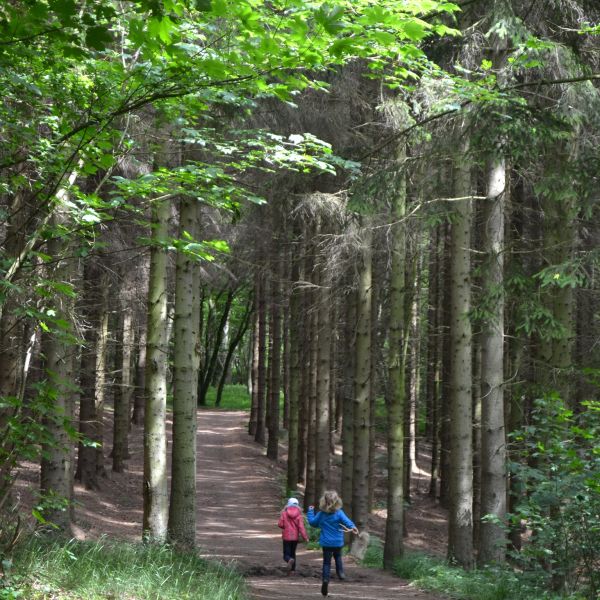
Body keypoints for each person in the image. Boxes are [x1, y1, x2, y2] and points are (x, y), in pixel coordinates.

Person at [307, 490, 358, 597]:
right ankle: (341, 573)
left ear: (323, 501)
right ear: (337, 501)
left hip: (326, 543)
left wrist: (310, 512)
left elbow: (313, 523)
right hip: (337, 542)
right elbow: (347, 522)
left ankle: (325, 580)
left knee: (326, 563)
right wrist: (353, 527)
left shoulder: (321, 514)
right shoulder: (339, 513)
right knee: (338, 557)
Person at [278, 497, 308, 574]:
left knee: (286, 554)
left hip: (286, 537)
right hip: (295, 538)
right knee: (293, 553)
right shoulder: (299, 515)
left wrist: (284, 526)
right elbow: (301, 527)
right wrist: (305, 537)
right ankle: (293, 570)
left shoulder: (284, 513)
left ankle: (288, 560)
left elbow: (280, 524)